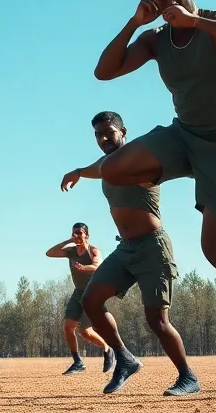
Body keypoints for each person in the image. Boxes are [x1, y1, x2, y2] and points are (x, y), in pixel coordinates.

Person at [92, 0, 216, 355]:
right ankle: (167, 174)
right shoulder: (156, 39)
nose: (171, 1)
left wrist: (196, 21)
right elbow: (105, 72)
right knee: (114, 169)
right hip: (184, 136)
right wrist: (136, 23)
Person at [62, 111, 199, 396]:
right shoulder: (105, 164)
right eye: (98, 135)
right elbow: (96, 167)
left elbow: (166, 166)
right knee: (91, 299)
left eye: (108, 133)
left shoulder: (139, 160)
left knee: (157, 321)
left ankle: (188, 377)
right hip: (125, 248)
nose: (103, 139)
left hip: (153, 247)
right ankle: (124, 358)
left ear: (123, 131)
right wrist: (77, 172)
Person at [46, 224, 117, 375]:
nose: (76, 236)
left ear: (87, 235)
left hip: (92, 294)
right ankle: (78, 362)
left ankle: (107, 349)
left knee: (85, 332)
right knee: (68, 326)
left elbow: (98, 266)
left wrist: (84, 268)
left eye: (79, 233)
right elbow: (49, 253)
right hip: (78, 293)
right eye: (73, 233)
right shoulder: (71, 251)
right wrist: (68, 241)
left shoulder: (93, 251)